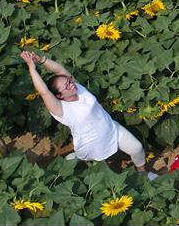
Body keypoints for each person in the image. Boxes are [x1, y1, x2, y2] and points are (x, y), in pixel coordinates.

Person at [20, 51, 157, 179]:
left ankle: (142, 174)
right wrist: (31, 67)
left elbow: (60, 71)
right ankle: (71, 160)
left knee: (136, 147)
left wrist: (42, 60)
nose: (71, 84)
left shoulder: (78, 88)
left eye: (69, 81)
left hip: (111, 130)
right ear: (59, 96)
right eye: (66, 86)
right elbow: (44, 91)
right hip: (90, 143)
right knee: (95, 167)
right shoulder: (61, 109)